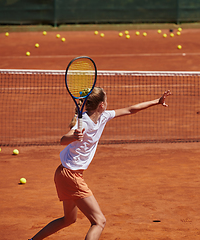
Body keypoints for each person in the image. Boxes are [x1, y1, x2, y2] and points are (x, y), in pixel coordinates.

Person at [29, 87, 172, 240]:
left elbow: (131, 109)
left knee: (69, 219)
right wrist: (74, 136)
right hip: (71, 176)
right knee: (99, 221)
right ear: (101, 105)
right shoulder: (83, 122)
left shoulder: (104, 116)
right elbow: (63, 140)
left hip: (63, 174)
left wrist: (157, 101)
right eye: (107, 100)